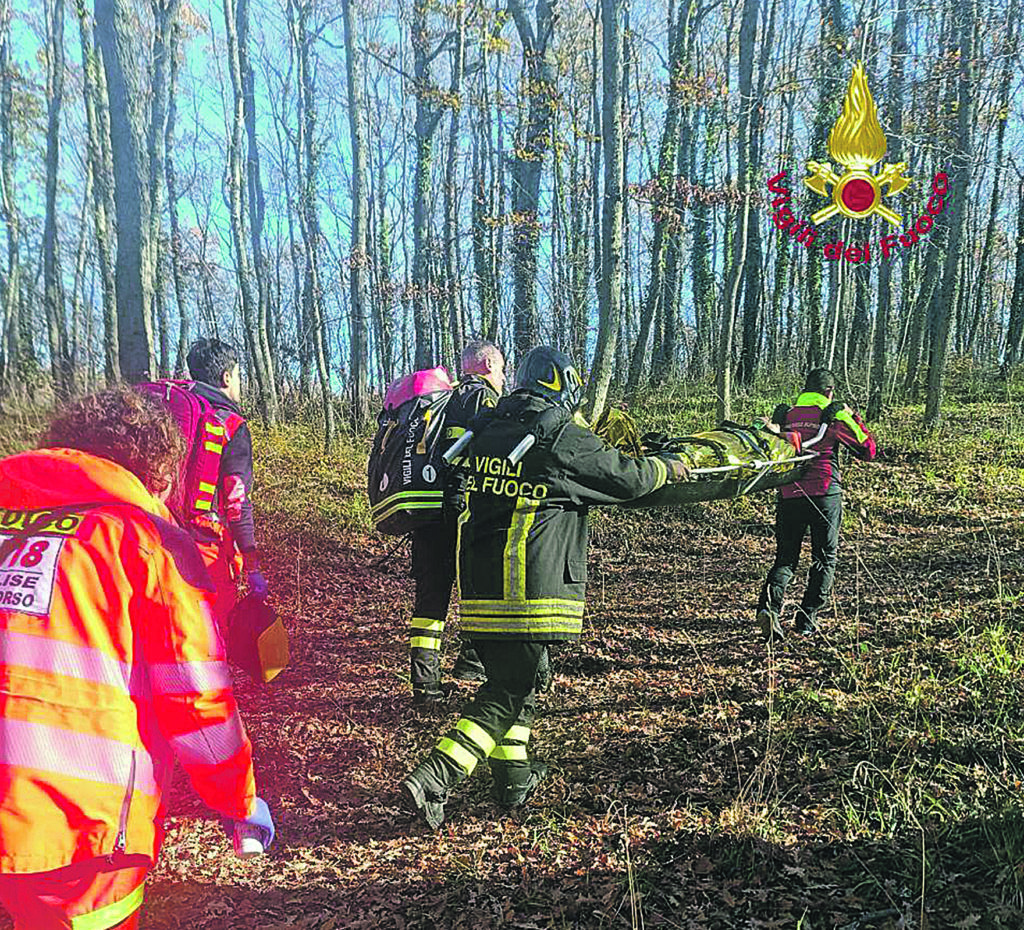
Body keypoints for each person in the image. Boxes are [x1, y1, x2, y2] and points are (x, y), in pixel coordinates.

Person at [0, 387, 274, 930]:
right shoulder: (146, 540)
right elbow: (197, 701)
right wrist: (239, 802)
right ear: (160, 473)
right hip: (76, 830)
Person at [401, 346, 689, 828]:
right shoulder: (559, 437)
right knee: (508, 692)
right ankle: (436, 776)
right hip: (529, 591)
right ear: (563, 383)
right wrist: (668, 466)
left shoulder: (487, 429)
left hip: (479, 589)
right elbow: (629, 478)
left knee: (517, 680)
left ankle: (512, 780)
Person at [408, 339, 506, 707]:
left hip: (425, 507)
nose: (503, 377)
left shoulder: (442, 400)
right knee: (480, 587)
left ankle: (425, 687)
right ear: (489, 365)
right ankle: (471, 665)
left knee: (430, 600)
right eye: (501, 369)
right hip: (461, 510)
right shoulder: (482, 399)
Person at [756, 367, 877, 640]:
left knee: (786, 557)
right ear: (829, 391)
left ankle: (769, 609)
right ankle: (807, 619)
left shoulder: (786, 415)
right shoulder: (834, 413)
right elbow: (867, 450)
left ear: (805, 390)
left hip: (789, 493)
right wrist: (854, 416)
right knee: (824, 556)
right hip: (824, 492)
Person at [186, 338, 267, 622]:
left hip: (148, 534)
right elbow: (237, 499)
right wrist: (252, 562)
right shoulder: (230, 425)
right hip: (203, 547)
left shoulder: (173, 412)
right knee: (210, 632)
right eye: (239, 375)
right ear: (227, 377)